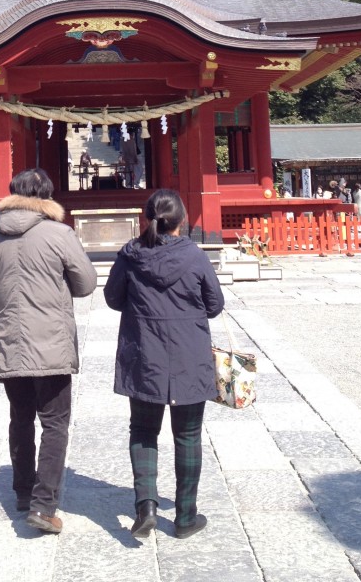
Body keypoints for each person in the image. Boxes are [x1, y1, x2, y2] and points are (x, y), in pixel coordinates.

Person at [0, 168, 97, 534]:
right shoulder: (60, 234)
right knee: (55, 422)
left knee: (20, 417)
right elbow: (86, 283)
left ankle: (24, 492)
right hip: (52, 342)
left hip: (10, 341)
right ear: (48, 197)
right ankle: (44, 505)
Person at [104, 189, 225, 541]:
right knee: (187, 435)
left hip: (144, 353)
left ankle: (146, 508)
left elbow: (112, 298)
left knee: (143, 432)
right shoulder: (195, 256)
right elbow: (214, 304)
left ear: (147, 219)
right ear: (182, 221)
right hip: (188, 353)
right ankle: (186, 516)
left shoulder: (130, 255)